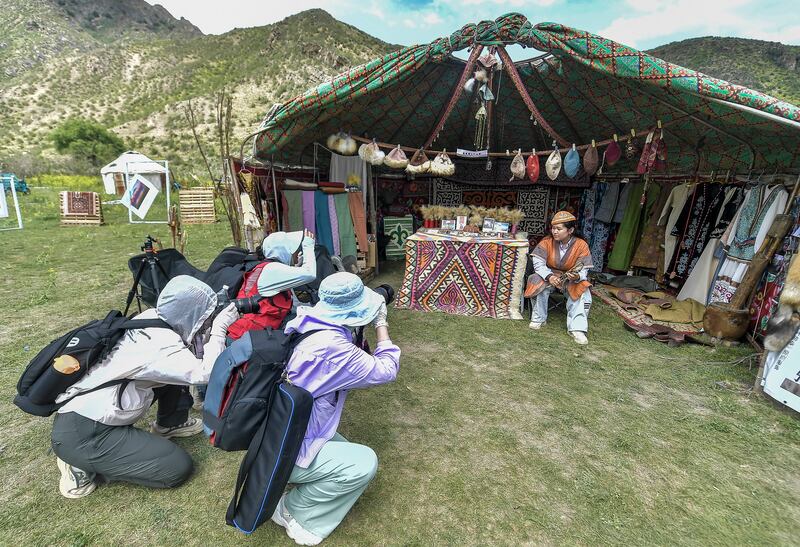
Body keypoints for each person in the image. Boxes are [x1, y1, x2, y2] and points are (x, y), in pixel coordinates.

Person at [51, 276, 240, 498]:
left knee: (175, 376)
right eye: (206, 314)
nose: (208, 318)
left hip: (87, 409)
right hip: (84, 432)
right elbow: (205, 373)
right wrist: (219, 329)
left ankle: (170, 423)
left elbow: (186, 361)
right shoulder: (161, 347)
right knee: (176, 467)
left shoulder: (153, 318)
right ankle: (79, 464)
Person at [271, 272, 401, 545]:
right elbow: (386, 370)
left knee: (343, 448)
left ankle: (301, 483)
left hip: (278, 431)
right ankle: (292, 511)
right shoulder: (332, 347)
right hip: (286, 447)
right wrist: (381, 323)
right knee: (363, 463)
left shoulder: (308, 321)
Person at [226, 229, 317, 340]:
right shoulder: (271, 270)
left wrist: (296, 268)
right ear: (283, 251)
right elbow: (310, 274)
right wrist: (308, 246)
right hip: (245, 337)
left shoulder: (266, 267)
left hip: (250, 334)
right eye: (293, 250)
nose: (296, 253)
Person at [524, 210, 592, 345]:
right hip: (549, 274)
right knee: (536, 279)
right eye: (553, 228)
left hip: (570, 277)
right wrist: (549, 276)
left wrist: (577, 276)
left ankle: (577, 328)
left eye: (559, 229)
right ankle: (539, 318)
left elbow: (584, 269)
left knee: (583, 288)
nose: (554, 231)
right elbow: (538, 264)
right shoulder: (546, 242)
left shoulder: (581, 245)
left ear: (570, 230)